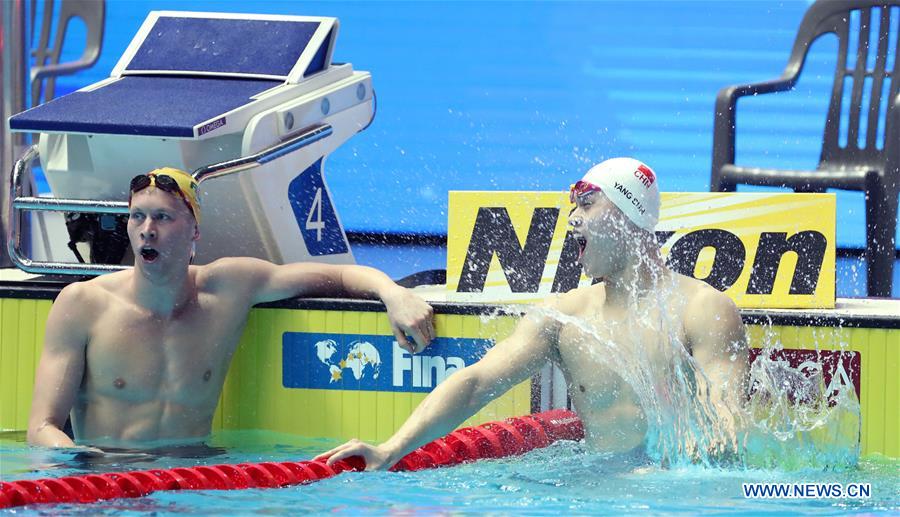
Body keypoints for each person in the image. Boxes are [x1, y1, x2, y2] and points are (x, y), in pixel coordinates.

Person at [318, 157, 750, 470]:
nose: (572, 219)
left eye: (586, 204)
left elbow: (727, 424)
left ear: (628, 215)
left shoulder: (702, 309)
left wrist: (678, 474)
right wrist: (391, 449)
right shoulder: (565, 317)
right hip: (593, 496)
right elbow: (476, 383)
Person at [27, 167, 435, 450]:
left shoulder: (228, 288)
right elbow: (42, 428)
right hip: (108, 481)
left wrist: (392, 293)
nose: (147, 229)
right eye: (137, 217)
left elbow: (340, 276)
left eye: (163, 217)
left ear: (195, 229)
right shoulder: (84, 304)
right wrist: (83, 466)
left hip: (198, 481)